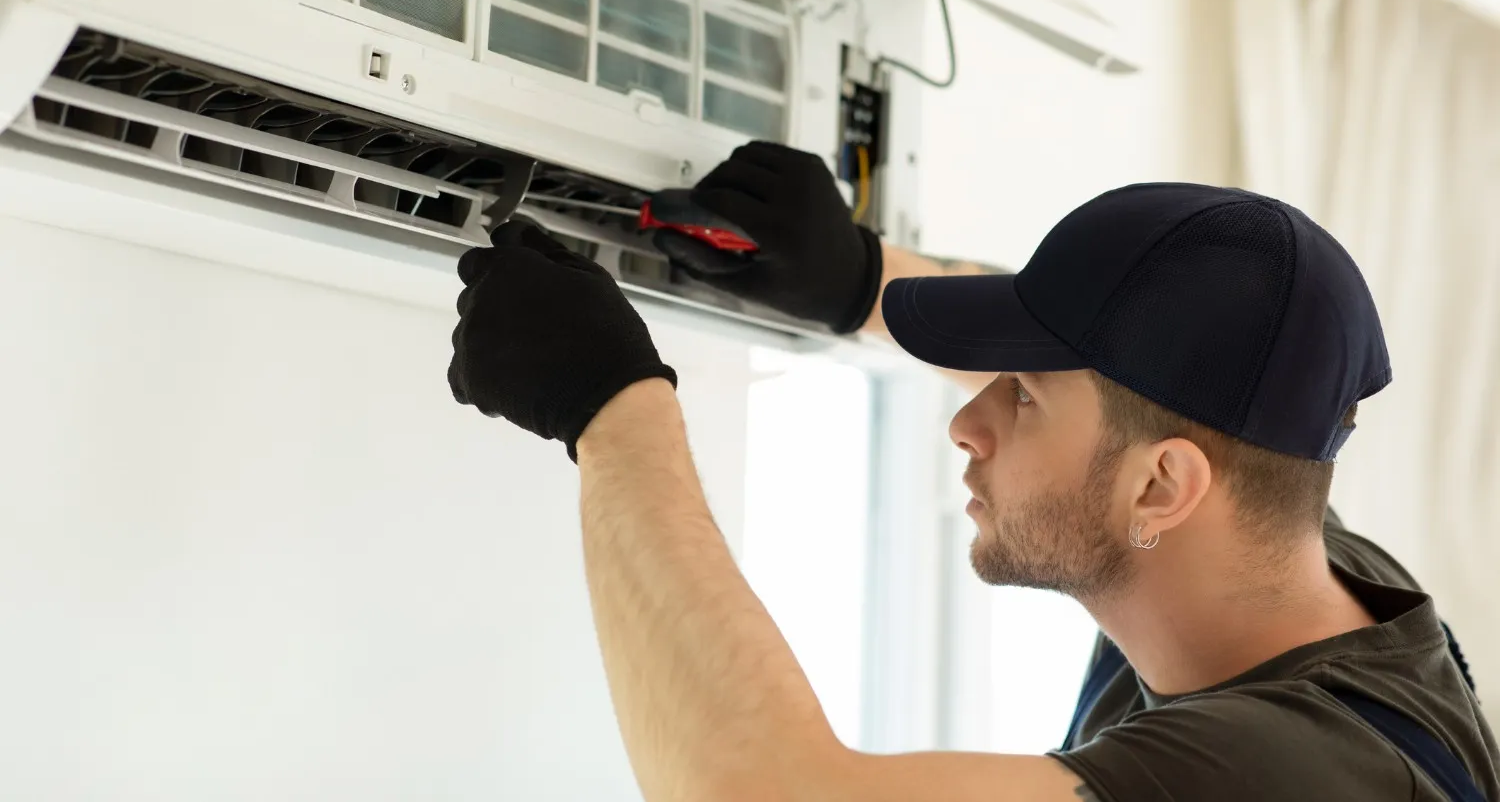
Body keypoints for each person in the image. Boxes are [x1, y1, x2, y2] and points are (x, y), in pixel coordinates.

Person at [448, 141, 1498, 801]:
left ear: (1160, 489)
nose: (968, 421)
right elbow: (1151, 395)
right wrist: (856, 279)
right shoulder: (1279, 544)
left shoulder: (1293, 779)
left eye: (1023, 395)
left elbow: (762, 791)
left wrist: (611, 408)